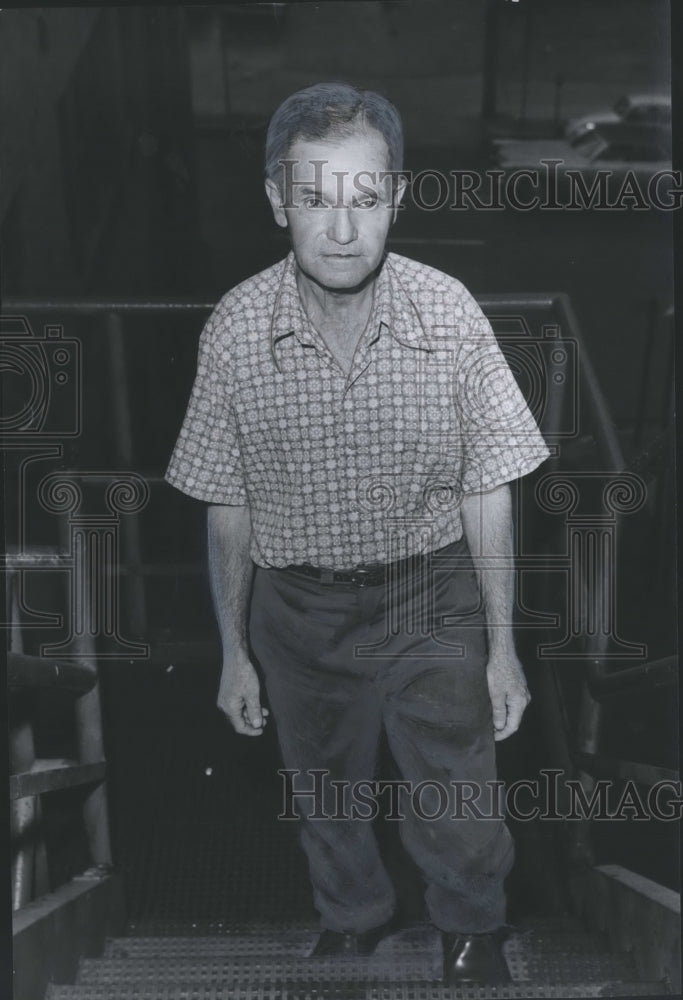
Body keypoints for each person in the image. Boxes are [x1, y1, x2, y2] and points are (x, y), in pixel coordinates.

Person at [166, 81, 549, 984]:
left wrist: (501, 648)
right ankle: (352, 920)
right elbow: (227, 503)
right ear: (277, 201)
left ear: (397, 198)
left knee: (454, 786)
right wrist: (233, 652)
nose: (342, 230)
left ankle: (471, 929)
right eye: (315, 199)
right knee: (322, 786)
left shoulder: (449, 314)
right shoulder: (234, 331)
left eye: (365, 199)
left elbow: (487, 490)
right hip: (296, 607)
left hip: (430, 593)